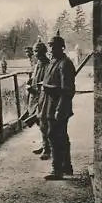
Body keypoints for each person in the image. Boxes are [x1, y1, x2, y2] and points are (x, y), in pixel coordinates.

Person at [38, 30, 76, 180]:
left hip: (59, 106)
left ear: (62, 48)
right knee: (62, 136)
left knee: (54, 136)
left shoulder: (65, 64)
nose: (51, 50)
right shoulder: (54, 62)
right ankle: (67, 166)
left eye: (54, 47)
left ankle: (57, 170)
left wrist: (49, 89)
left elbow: (68, 90)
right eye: (50, 46)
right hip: (50, 105)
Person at [25, 38, 51, 159]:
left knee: (44, 123)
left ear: (43, 52)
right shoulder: (37, 64)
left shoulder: (48, 65)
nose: (35, 53)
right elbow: (35, 77)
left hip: (43, 98)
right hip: (34, 98)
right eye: (35, 51)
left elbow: (46, 83)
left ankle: (47, 149)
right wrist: (30, 81)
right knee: (39, 123)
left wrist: (35, 90)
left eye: (37, 51)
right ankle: (44, 144)